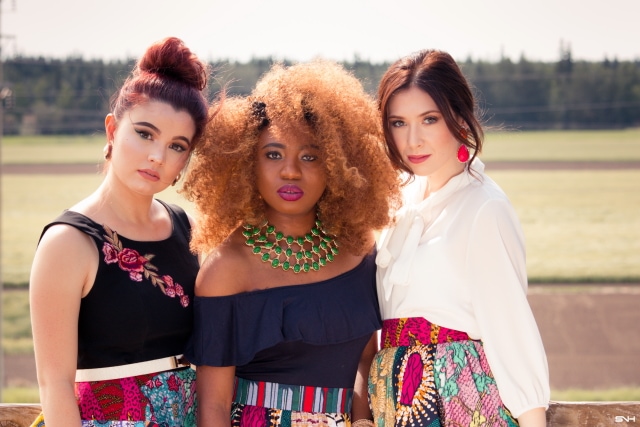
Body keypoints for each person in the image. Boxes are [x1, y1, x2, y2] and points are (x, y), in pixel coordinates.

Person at [181, 59, 401, 427]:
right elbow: (213, 407)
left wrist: (362, 421)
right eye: (273, 154)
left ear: (337, 162)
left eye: (310, 156)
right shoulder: (226, 268)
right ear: (247, 161)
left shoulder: (358, 248)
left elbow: (366, 359)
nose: (290, 170)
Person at [29, 37, 212, 427]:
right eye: (145, 134)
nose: (157, 157)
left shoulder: (189, 229)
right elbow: (54, 384)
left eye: (177, 145)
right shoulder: (69, 243)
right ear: (112, 130)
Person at [369, 49, 550, 427]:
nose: (412, 140)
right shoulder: (399, 207)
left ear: (460, 118)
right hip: (396, 402)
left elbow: (510, 329)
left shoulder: (485, 208)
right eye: (398, 123)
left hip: (461, 400)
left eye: (429, 119)